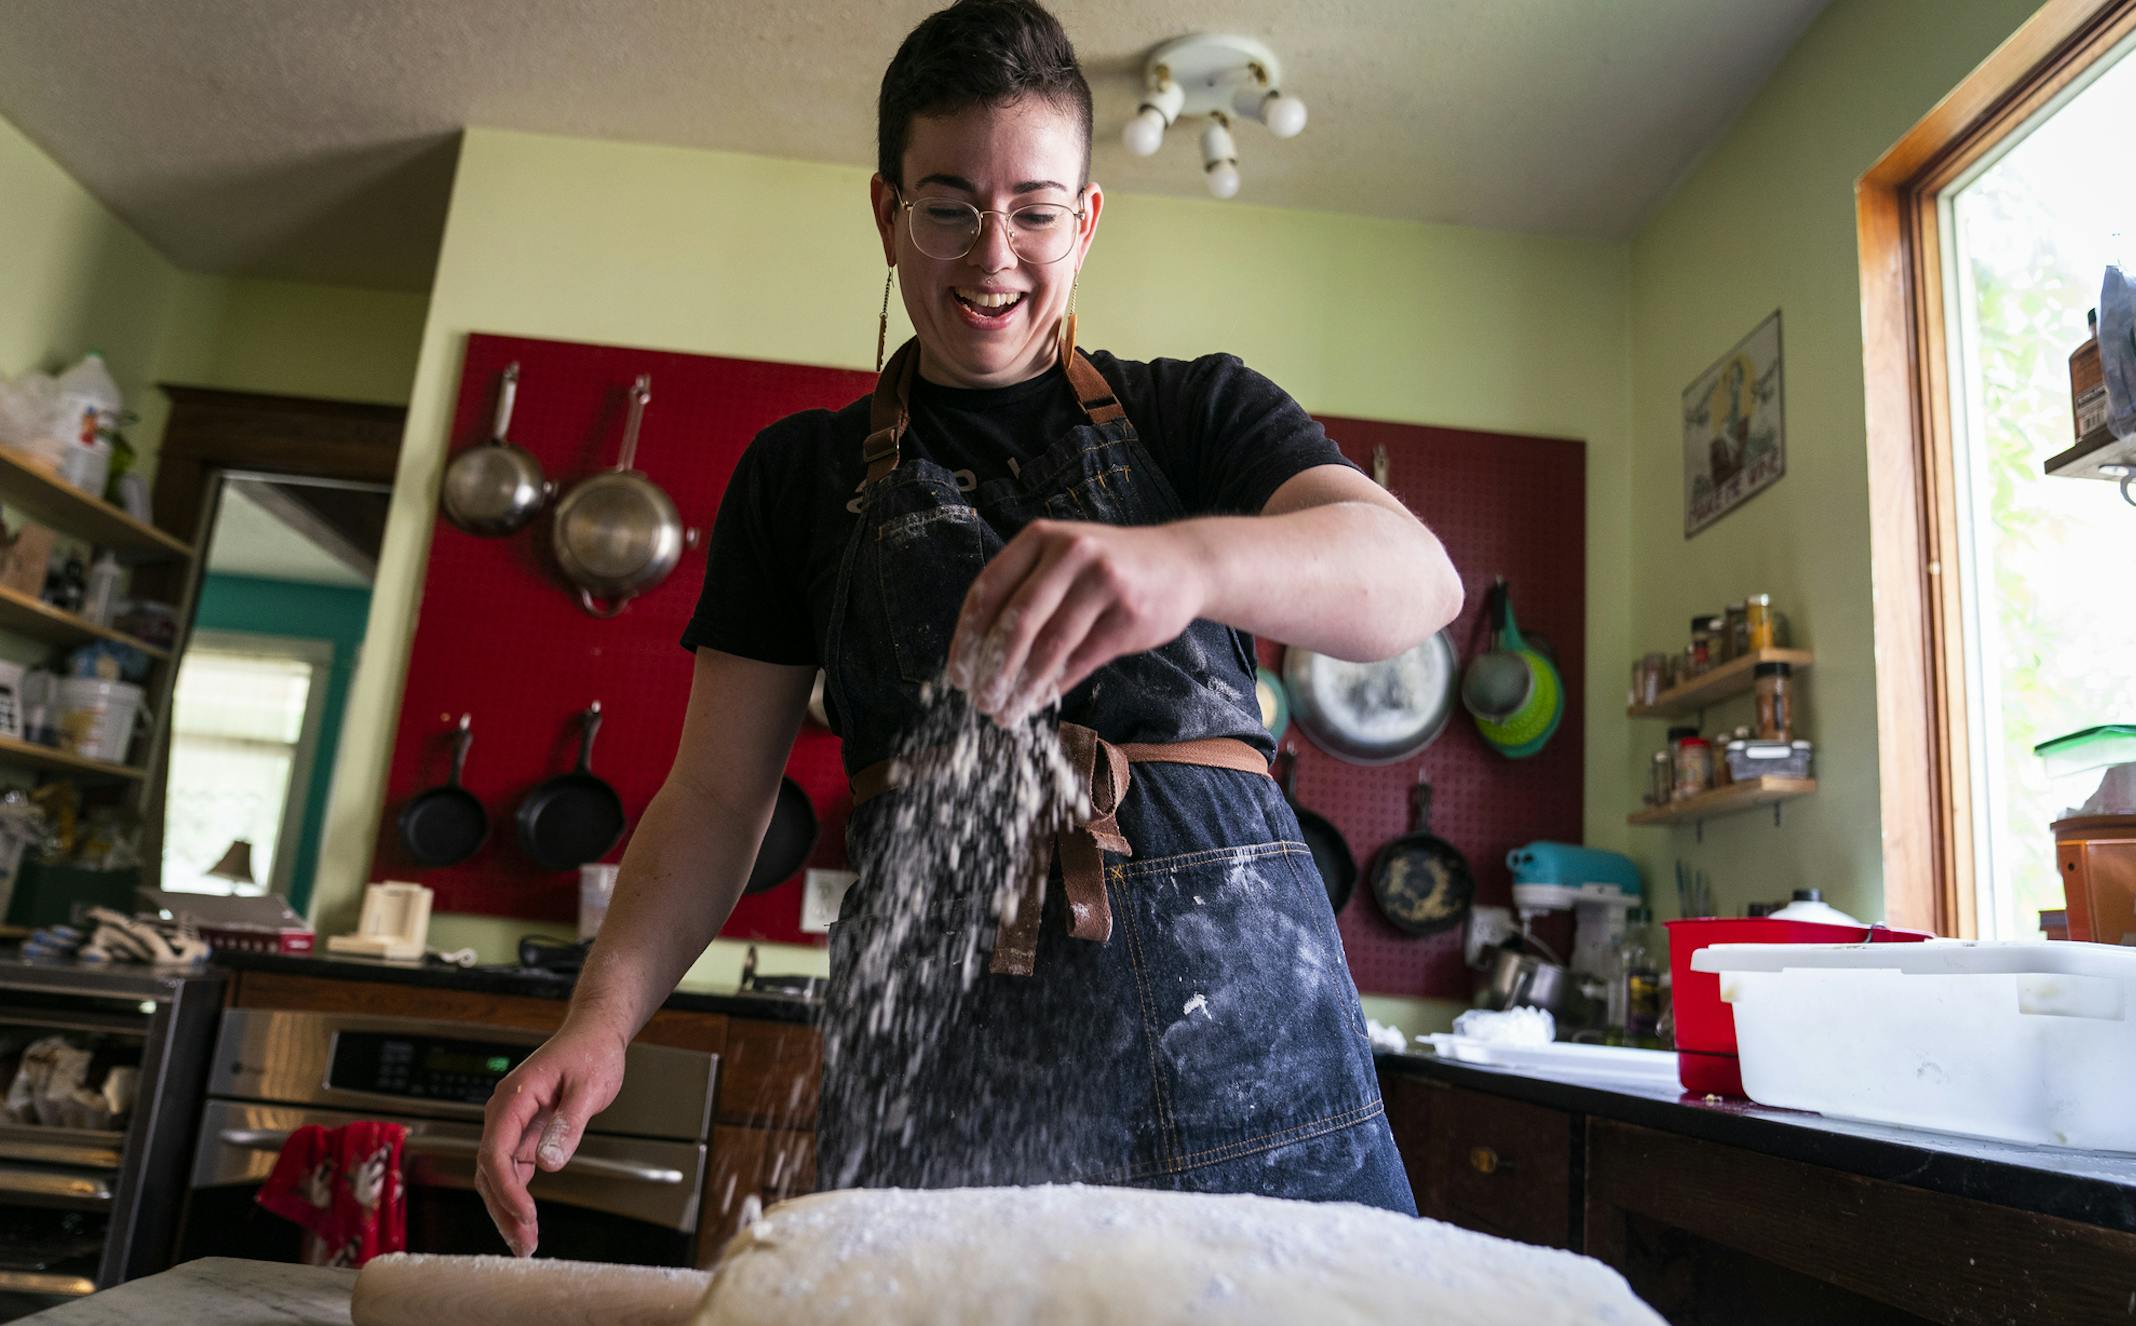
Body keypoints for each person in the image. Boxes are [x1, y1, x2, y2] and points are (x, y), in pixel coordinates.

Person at [477, 0, 1463, 1258]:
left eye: (1035, 212)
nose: (994, 256)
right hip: (944, 1077)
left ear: (1085, 220)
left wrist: (1189, 562)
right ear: (887, 214)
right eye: (948, 209)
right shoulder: (798, 477)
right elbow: (718, 797)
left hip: (1253, 1071)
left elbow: (1414, 583)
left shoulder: (1197, 415)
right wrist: (601, 1019)